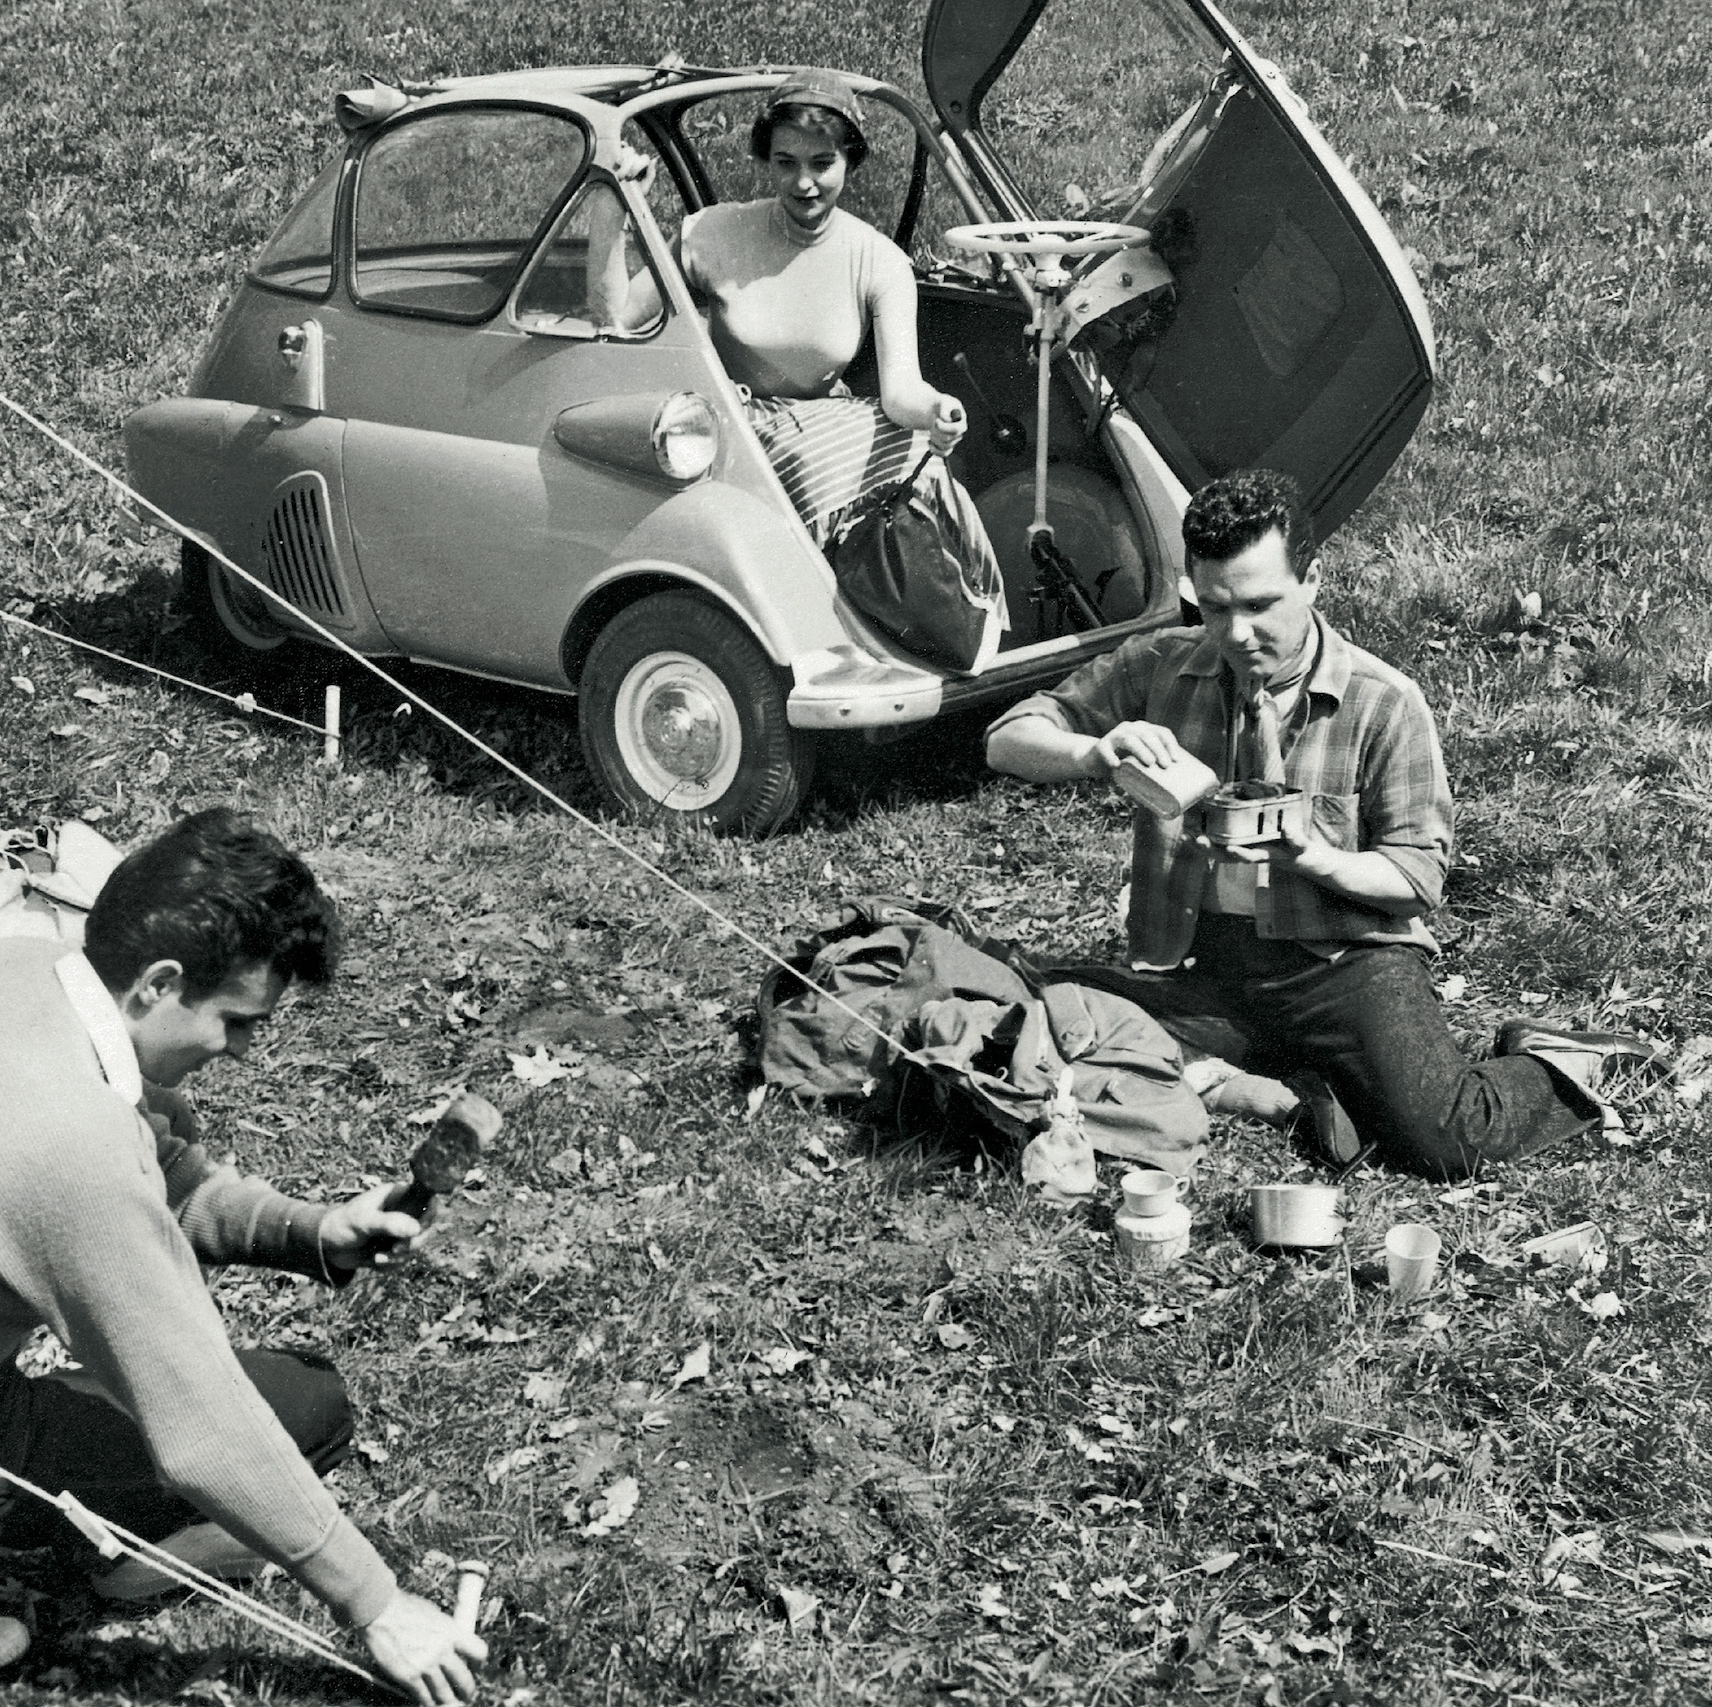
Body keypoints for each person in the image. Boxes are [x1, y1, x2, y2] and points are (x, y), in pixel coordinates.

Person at [0, 808, 485, 1696]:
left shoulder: (19, 968)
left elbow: (161, 1170)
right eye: (237, 1021)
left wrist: (310, 1231)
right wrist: (378, 1605)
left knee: (248, 1403)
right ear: (157, 984)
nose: (242, 1051)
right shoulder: (67, 1145)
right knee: (308, 1406)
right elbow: (202, 1429)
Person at [984, 469, 1656, 1180]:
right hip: (1203, 962)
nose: (1237, 634)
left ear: (1312, 579)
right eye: (1213, 608)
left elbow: (1416, 881)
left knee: (1447, 1138)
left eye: (1260, 604)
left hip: (1344, 963)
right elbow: (1007, 738)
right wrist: (1093, 750)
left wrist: (1314, 857)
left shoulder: (1385, 703)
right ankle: (1296, 1077)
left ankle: (1555, 1057)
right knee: (1028, 1008)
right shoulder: (1159, 666)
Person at [587, 70, 971, 545]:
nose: (804, 183)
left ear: (850, 160)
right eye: (785, 162)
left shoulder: (880, 261)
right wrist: (611, 207)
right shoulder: (713, 232)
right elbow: (614, 319)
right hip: (734, 444)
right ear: (766, 161)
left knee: (922, 470)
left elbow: (900, 392)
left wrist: (936, 408)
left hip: (824, 444)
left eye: (822, 162)